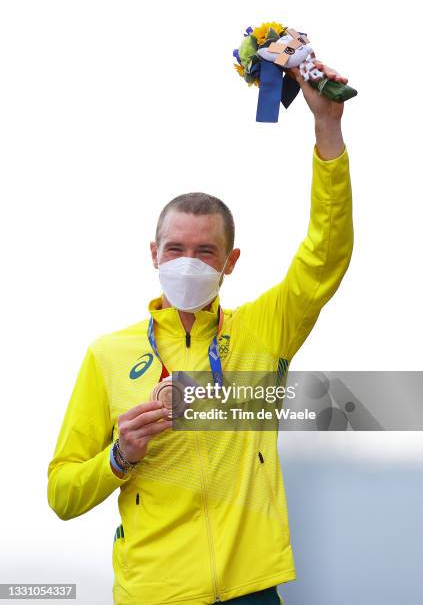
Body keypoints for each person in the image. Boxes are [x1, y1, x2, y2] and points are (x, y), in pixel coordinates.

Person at [47, 60, 354, 605]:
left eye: (205, 251)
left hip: (250, 588)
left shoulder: (265, 331)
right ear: (153, 255)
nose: (188, 262)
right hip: (155, 592)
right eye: (176, 250)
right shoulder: (107, 355)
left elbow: (325, 256)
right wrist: (121, 455)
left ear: (230, 261)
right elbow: (62, 494)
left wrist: (326, 127)